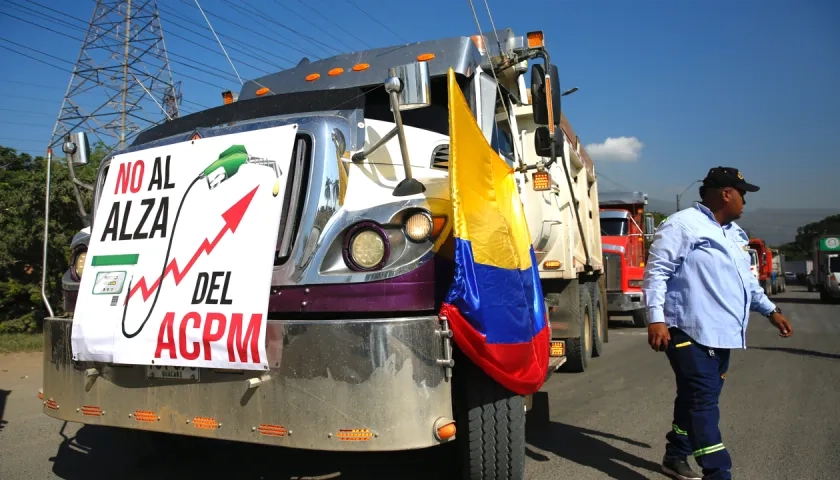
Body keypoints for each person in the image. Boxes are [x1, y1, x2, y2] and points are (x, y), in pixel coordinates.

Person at [642, 166, 793, 480]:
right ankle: (718, 472)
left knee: (694, 398)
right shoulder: (683, 225)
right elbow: (656, 272)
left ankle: (675, 456)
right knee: (703, 402)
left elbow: (748, 284)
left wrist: (771, 311)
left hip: (723, 335)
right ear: (726, 193)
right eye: (743, 194)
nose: (745, 202)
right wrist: (655, 318)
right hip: (687, 330)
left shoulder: (736, 235)